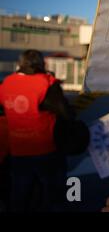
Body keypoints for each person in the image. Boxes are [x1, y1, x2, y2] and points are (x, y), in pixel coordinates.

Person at [0, 50, 73, 211]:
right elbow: (65, 112)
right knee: (52, 197)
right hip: (46, 149)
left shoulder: (7, 83)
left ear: (20, 64)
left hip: (18, 151)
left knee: (20, 196)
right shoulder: (46, 83)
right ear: (41, 64)